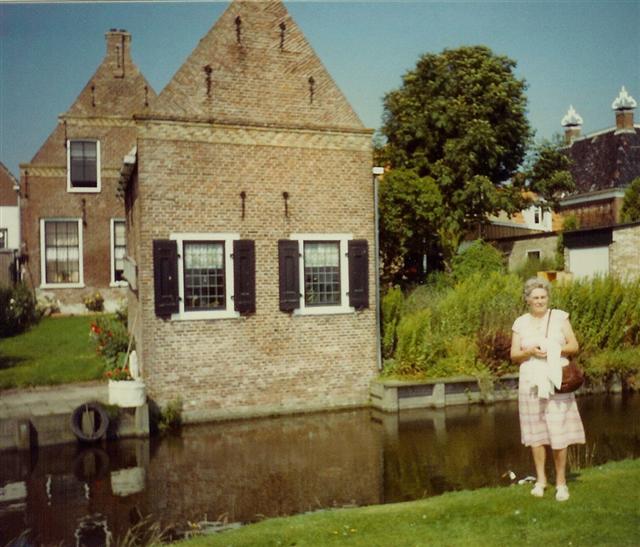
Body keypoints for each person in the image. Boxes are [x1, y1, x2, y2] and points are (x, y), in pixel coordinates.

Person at [510, 277, 585, 502]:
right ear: (527, 300)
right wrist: (530, 351)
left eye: (543, 297)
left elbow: (574, 346)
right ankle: (541, 480)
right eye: (535, 297)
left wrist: (554, 348)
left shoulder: (560, 317)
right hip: (530, 381)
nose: (540, 301)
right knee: (536, 432)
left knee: (558, 430)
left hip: (556, 380)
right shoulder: (520, 323)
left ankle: (561, 483)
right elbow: (514, 355)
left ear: (548, 298)